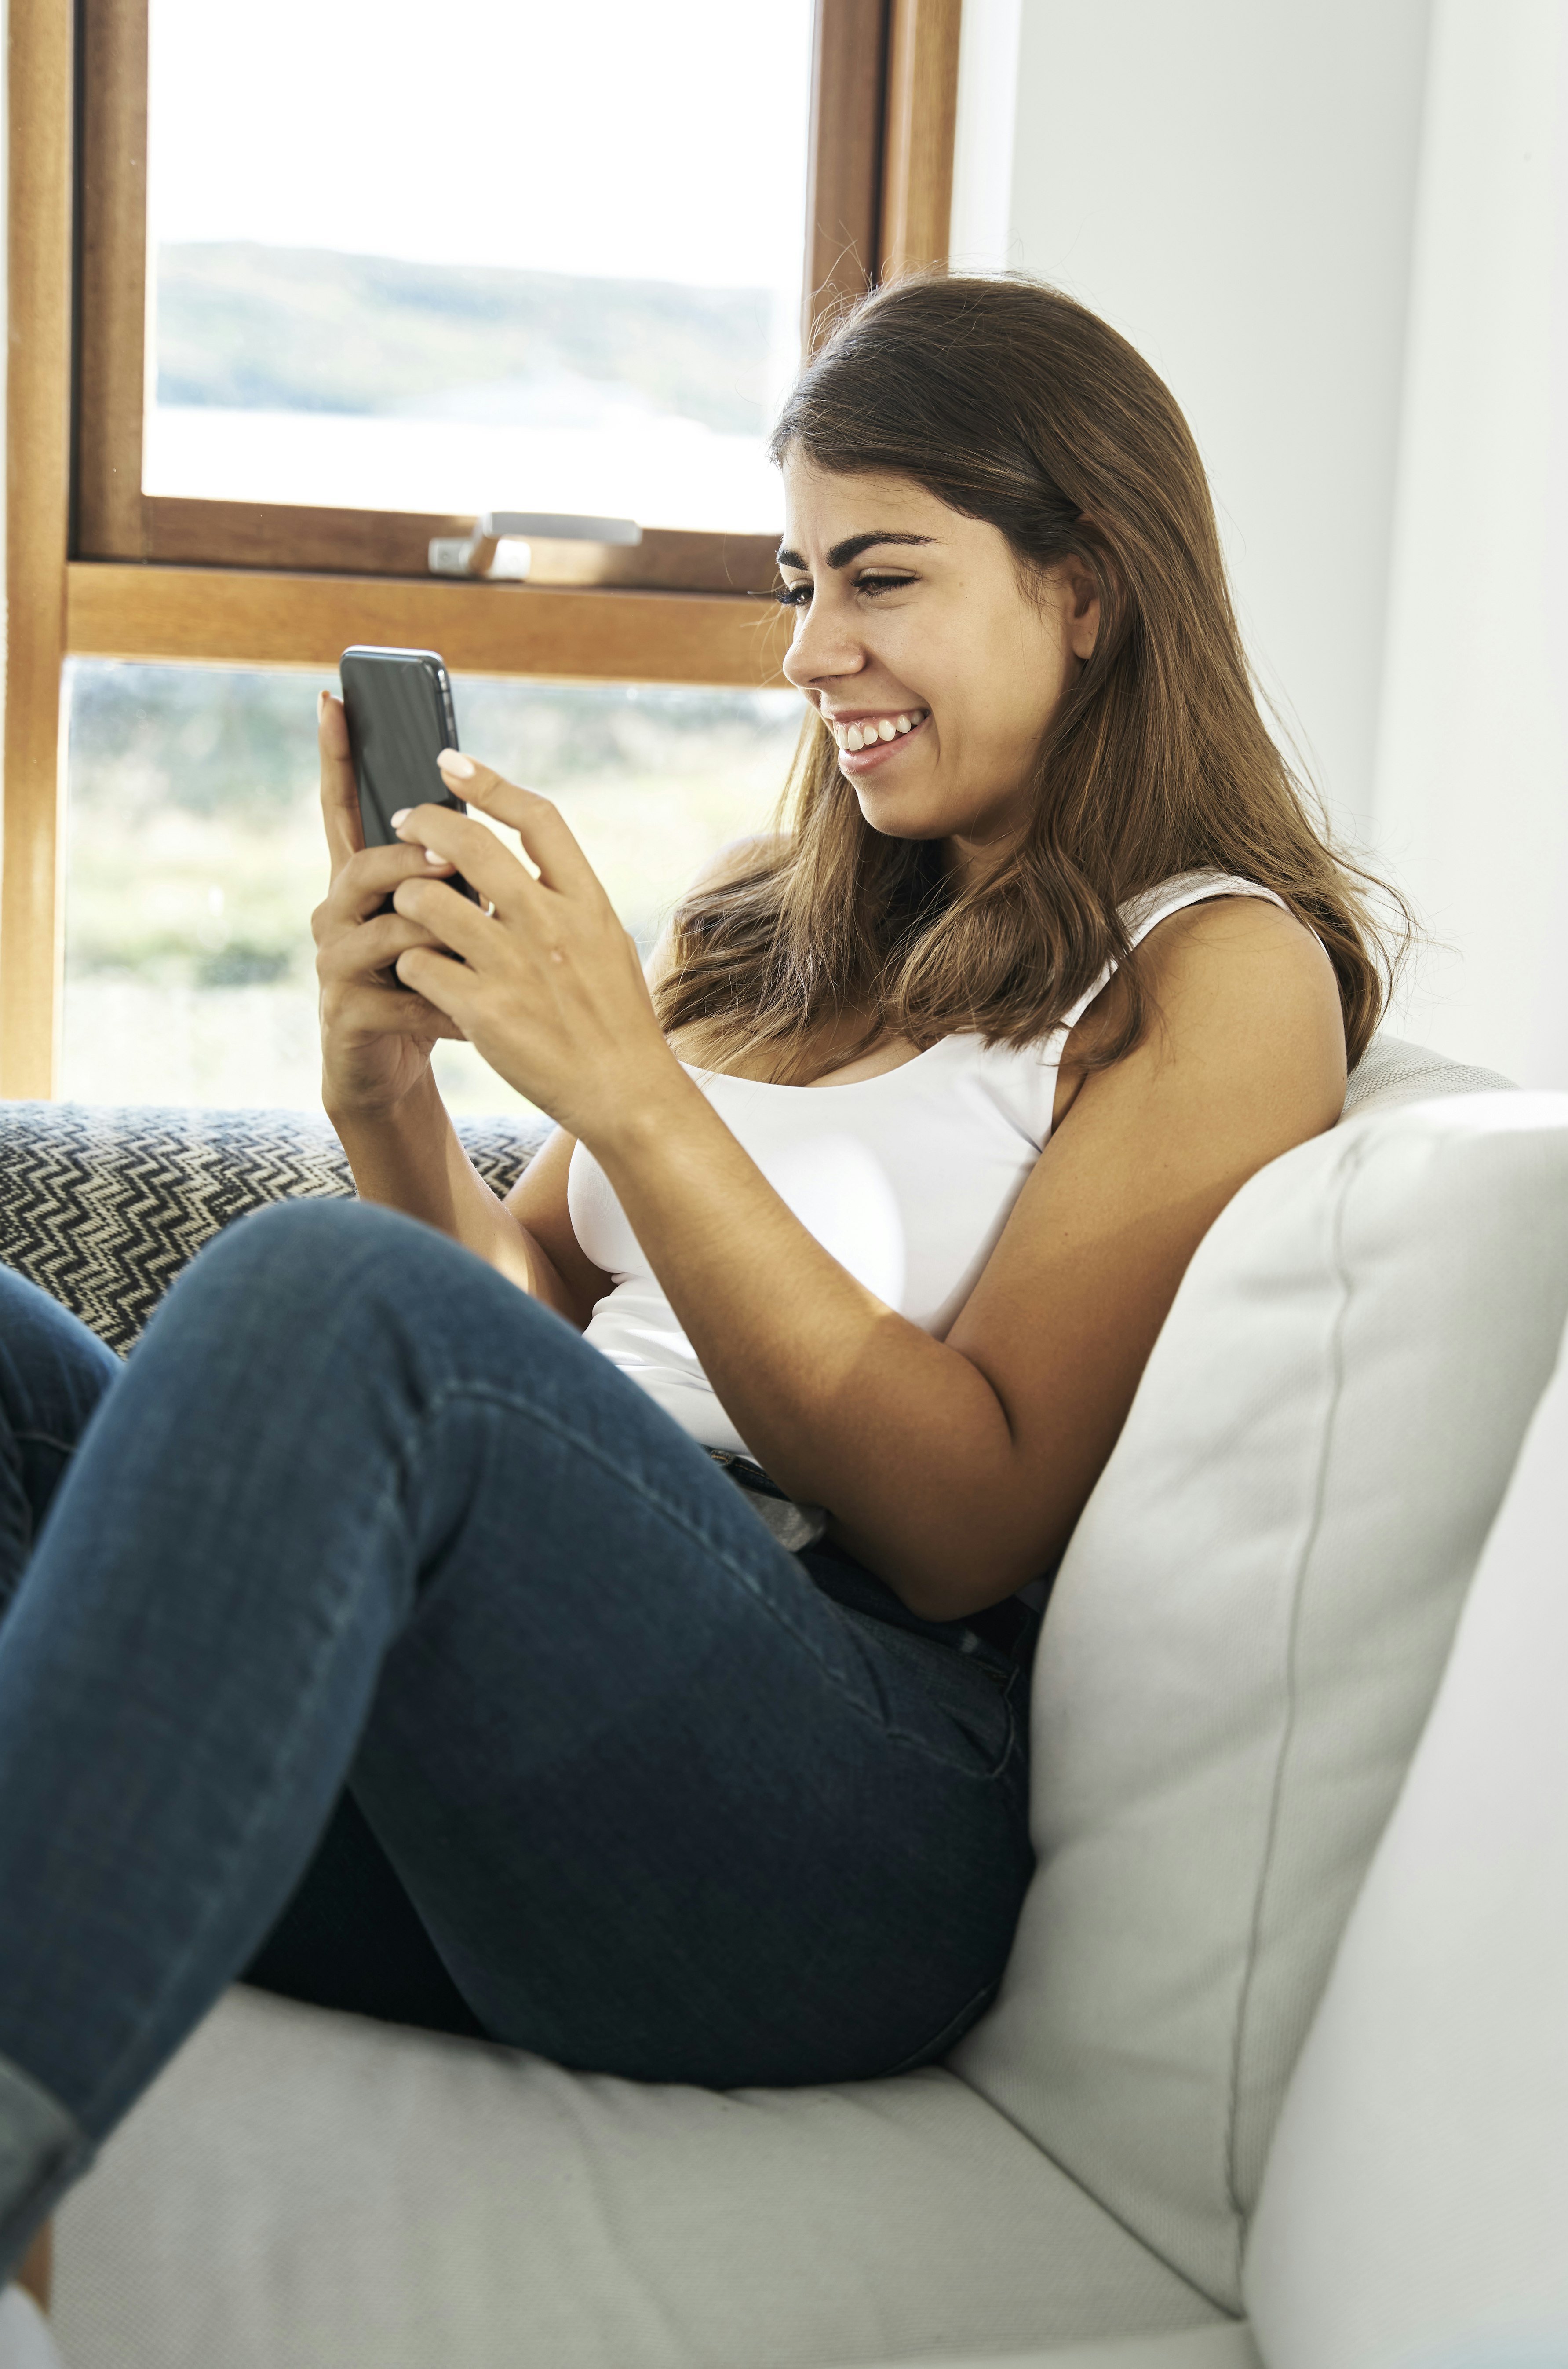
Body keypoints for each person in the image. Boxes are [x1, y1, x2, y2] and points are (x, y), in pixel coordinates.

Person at [0, 273, 1396, 2292]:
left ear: (1087, 587)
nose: (814, 652)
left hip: (829, 1806)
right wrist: (386, 1092)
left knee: (316, 1296)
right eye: (797, 579)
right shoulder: (774, 931)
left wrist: (640, 1098)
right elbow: (510, 1333)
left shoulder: (1215, 970)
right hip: (513, 1740)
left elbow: (969, 1516)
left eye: (883, 579)